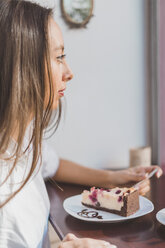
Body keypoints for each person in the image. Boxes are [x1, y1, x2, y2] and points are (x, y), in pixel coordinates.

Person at [0, 0, 162, 248]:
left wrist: (114, 178)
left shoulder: (22, 139)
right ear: (23, 66)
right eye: (59, 57)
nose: (69, 71)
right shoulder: (6, 207)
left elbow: (53, 164)